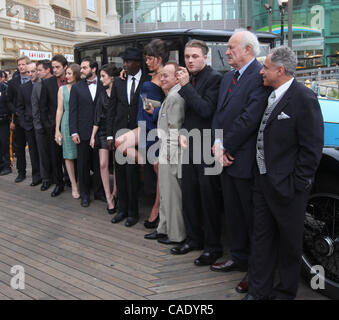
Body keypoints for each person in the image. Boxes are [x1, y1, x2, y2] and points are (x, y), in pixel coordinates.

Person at [244, 46, 324, 300]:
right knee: (261, 240)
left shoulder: (304, 98)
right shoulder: (269, 94)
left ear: (280, 70)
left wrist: (298, 184)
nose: (261, 72)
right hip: (263, 183)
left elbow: (311, 147)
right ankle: (258, 291)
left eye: (265, 68)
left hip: (289, 188)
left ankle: (284, 293)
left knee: (290, 245)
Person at [211, 30, 270, 294]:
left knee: (250, 220)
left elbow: (250, 118)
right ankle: (238, 257)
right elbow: (219, 115)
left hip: (244, 160)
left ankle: (254, 271)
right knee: (233, 214)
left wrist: (226, 146)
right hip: (224, 158)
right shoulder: (227, 78)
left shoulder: (259, 77)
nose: (226, 52)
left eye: (231, 47)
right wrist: (216, 145)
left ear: (247, 50)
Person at [170, 40, 223, 267]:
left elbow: (206, 110)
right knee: (190, 194)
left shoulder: (214, 79)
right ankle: (194, 239)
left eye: (194, 56)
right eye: (187, 56)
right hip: (189, 145)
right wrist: (182, 131)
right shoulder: (190, 79)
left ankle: (213, 247)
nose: (190, 60)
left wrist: (185, 87)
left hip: (207, 147)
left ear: (205, 57)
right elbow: (190, 114)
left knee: (208, 198)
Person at [115, 39, 168, 229]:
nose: (146, 62)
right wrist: (124, 73)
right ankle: (144, 161)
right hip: (142, 124)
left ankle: (156, 209)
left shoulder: (165, 76)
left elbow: (172, 101)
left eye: (149, 58)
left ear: (158, 59)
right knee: (120, 142)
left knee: (158, 171)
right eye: (145, 58)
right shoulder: (148, 74)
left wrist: (153, 108)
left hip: (153, 126)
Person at [106, 47, 150, 227]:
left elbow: (149, 108)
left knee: (133, 175)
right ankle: (121, 210)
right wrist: (110, 136)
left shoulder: (147, 82)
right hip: (119, 134)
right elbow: (111, 110)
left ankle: (133, 212)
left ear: (138, 63)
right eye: (124, 61)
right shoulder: (118, 82)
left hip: (137, 135)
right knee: (121, 174)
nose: (125, 64)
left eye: (128, 61)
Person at [144, 62, 186, 245]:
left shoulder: (176, 97)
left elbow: (175, 129)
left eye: (166, 76)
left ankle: (176, 235)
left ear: (177, 78)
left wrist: (168, 156)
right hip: (165, 151)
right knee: (165, 195)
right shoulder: (170, 96)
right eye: (161, 75)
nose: (162, 78)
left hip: (171, 153)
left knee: (172, 196)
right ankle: (163, 229)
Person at [69, 57, 105, 207]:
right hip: (82, 132)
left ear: (94, 69)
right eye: (81, 68)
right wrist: (74, 132)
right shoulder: (77, 87)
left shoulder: (104, 84)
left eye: (84, 68)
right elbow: (73, 111)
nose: (81, 70)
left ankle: (98, 192)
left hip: (100, 132)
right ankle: (84, 194)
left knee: (99, 165)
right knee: (83, 165)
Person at [90, 64, 120, 213]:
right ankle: (109, 198)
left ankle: (115, 193)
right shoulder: (101, 94)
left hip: (117, 130)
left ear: (112, 77)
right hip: (102, 131)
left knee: (116, 164)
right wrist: (92, 135)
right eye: (100, 76)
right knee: (103, 164)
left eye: (103, 76)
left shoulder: (120, 92)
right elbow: (97, 115)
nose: (101, 79)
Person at [40, 55, 68, 197]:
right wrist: (49, 126)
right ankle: (59, 184)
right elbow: (43, 107)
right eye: (53, 67)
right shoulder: (47, 83)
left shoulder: (72, 80)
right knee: (56, 156)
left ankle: (71, 180)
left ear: (65, 67)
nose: (54, 70)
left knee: (71, 156)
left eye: (57, 67)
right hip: (53, 127)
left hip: (70, 125)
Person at [55, 63, 81, 199]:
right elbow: (59, 109)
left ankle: (82, 183)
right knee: (69, 156)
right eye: (67, 73)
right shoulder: (62, 89)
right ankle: (74, 185)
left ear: (76, 74)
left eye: (70, 73)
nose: (67, 76)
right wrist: (57, 130)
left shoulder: (83, 87)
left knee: (82, 156)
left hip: (80, 122)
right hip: (66, 123)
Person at [16, 62, 42, 187]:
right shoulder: (23, 87)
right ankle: (36, 176)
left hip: (43, 125)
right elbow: (19, 107)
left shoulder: (44, 84)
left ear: (38, 71)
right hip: (29, 125)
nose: (31, 74)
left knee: (45, 151)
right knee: (33, 152)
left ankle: (48, 176)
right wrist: (23, 123)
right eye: (28, 72)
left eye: (33, 71)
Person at [6, 56, 30, 183]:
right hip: (19, 120)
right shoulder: (12, 83)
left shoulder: (34, 80)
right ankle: (21, 172)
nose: (21, 67)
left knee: (34, 148)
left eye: (23, 64)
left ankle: (39, 174)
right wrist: (15, 112)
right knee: (20, 148)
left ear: (28, 65)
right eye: (19, 65)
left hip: (32, 120)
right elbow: (8, 101)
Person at [32, 60, 53, 191]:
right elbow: (35, 108)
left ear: (47, 70)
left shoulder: (57, 84)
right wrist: (38, 126)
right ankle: (46, 179)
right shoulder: (37, 86)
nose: (37, 73)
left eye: (39, 70)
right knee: (43, 154)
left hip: (55, 126)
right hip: (41, 127)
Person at [0, 72, 11, 176]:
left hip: (3, 121)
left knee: (4, 144)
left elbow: (9, 104)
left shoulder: (5, 88)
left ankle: (7, 166)